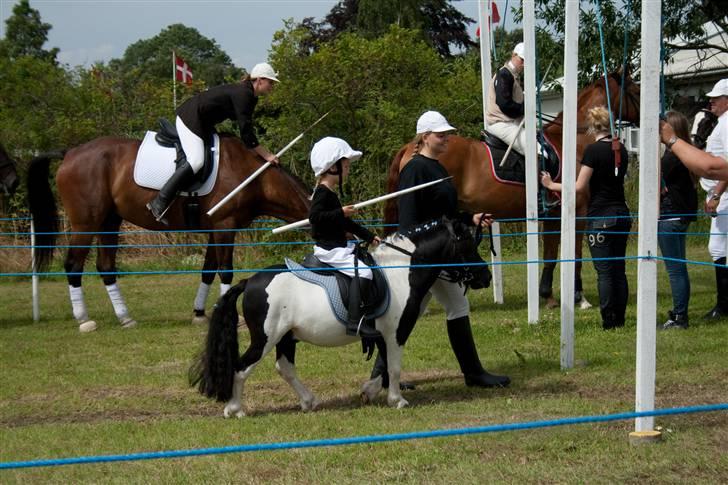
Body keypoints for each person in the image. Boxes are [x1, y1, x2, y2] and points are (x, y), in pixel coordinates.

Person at [372, 111, 511, 389]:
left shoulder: (436, 166)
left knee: (420, 311)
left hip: (438, 253)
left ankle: (382, 375)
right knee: (431, 309)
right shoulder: (414, 168)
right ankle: (471, 373)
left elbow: (444, 214)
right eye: (441, 134)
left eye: (447, 133)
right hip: (424, 256)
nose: (447, 138)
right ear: (425, 137)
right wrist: (424, 254)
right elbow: (409, 220)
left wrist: (469, 218)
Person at [147, 62, 281, 224]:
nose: (272, 86)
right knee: (196, 161)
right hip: (191, 118)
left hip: (204, 123)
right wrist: (266, 154)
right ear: (259, 80)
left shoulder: (250, 95)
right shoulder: (244, 94)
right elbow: (246, 132)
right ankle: (159, 202)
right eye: (270, 82)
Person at [541, 106, 631, 329]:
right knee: (619, 269)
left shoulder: (592, 151)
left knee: (605, 273)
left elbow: (580, 187)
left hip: (601, 216)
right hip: (622, 213)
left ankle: (609, 321)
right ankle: (620, 317)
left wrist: (552, 185)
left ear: (592, 127)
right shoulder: (622, 149)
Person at [308, 137, 382, 339]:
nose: (348, 170)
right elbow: (314, 218)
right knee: (365, 273)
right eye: (346, 166)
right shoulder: (322, 193)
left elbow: (345, 223)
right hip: (330, 250)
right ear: (333, 168)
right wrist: (340, 212)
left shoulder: (330, 193)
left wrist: (369, 236)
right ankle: (354, 322)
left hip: (339, 245)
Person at [680, 79, 728, 320]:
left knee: (717, 247)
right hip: (719, 194)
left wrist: (717, 194)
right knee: (718, 247)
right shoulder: (720, 123)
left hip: (725, 195)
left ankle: (723, 304)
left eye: (716, 98)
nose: (712, 102)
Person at [657, 111, 698, 330]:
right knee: (679, 268)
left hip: (670, 216)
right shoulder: (686, 153)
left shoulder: (671, 157)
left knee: (675, 270)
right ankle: (680, 312)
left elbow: (655, 183)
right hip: (681, 215)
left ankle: (680, 316)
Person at [486, 42, 526, 161]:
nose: (523, 64)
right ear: (513, 55)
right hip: (502, 124)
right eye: (522, 59)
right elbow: (504, 104)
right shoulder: (505, 74)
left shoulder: (513, 75)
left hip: (509, 123)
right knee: (536, 149)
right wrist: (524, 108)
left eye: (526, 61)